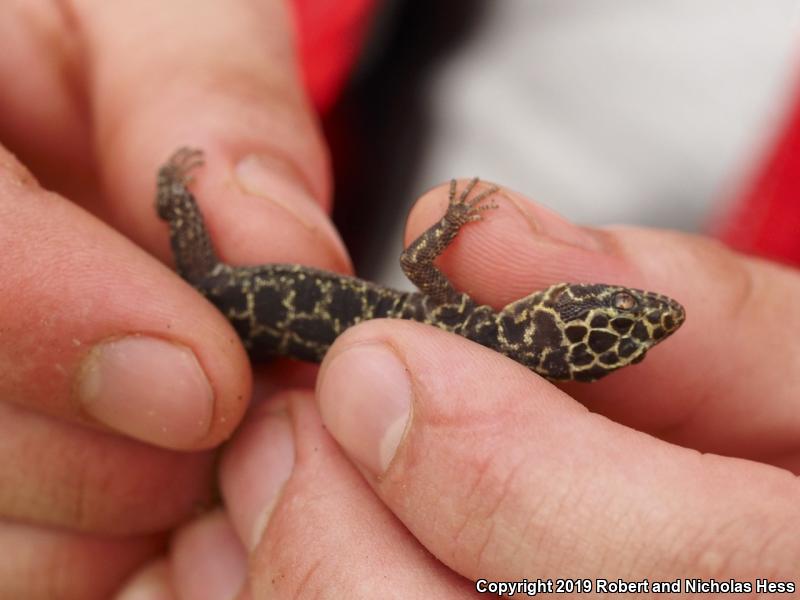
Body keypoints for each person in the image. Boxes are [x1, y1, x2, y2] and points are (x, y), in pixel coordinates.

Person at [2, 2, 799, 598]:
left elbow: (420, 259)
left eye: (620, 325)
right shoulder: (476, 340)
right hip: (233, 306)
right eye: (622, 320)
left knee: (193, 366)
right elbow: (420, 256)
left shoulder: (470, 328)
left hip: (239, 310)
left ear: (558, 307)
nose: (630, 317)